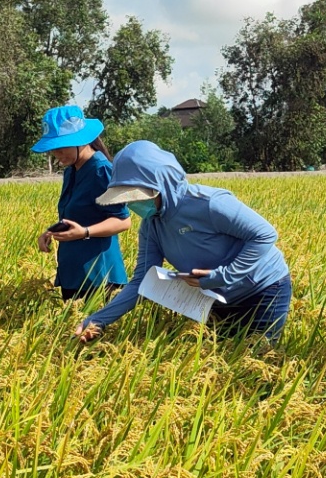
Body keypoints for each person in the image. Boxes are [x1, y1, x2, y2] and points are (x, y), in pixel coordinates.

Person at [75, 141, 291, 342]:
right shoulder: (152, 226)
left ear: (161, 184)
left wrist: (224, 276)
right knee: (224, 363)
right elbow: (141, 281)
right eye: (127, 198)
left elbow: (264, 235)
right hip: (216, 299)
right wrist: (98, 320)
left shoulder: (209, 204)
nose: (133, 203)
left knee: (257, 357)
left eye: (137, 195)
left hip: (264, 289)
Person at [31, 106, 131, 299]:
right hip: (73, 271)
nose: (58, 156)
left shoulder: (101, 170)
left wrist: (84, 232)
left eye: (61, 149)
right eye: (54, 152)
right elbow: (76, 215)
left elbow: (122, 221)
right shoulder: (71, 171)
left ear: (82, 141)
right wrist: (51, 232)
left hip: (98, 274)